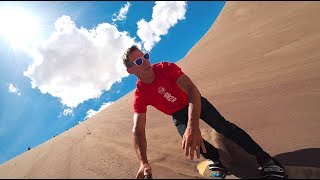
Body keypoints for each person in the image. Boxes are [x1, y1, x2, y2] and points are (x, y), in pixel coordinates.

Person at [122, 45, 287, 179]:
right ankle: (216, 160)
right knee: (191, 142)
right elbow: (138, 129)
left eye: (146, 57)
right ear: (130, 70)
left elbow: (192, 89)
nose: (145, 62)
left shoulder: (166, 68)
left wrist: (193, 125)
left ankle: (267, 161)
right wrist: (143, 162)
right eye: (138, 61)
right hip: (177, 115)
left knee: (224, 127)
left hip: (194, 100)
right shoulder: (140, 94)